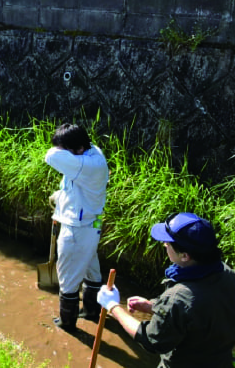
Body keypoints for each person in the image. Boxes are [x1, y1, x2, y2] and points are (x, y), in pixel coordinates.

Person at [97, 213, 235, 367]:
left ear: (185, 256)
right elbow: (199, 315)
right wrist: (154, 306)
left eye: (168, 243)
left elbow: (151, 340)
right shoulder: (227, 273)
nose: (164, 244)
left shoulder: (178, 298)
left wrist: (113, 306)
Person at [45, 123, 109, 332]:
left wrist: (61, 150)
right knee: (91, 269)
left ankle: (67, 323)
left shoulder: (85, 164)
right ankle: (92, 311)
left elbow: (50, 156)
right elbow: (75, 183)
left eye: (68, 151)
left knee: (67, 279)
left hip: (78, 228)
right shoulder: (92, 152)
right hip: (92, 223)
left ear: (80, 149)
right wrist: (60, 197)